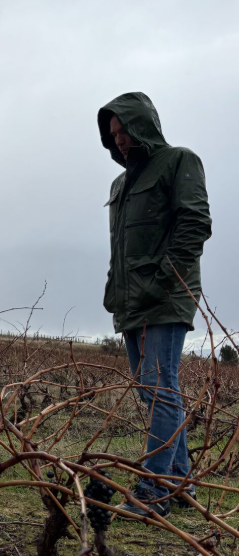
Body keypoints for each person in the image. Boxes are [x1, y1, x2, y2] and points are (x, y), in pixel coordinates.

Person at [97, 92, 212, 517]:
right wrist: (116, 290)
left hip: (166, 298)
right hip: (131, 303)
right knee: (152, 391)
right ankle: (180, 483)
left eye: (125, 130)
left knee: (161, 389)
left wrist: (165, 280)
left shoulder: (180, 160)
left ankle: (153, 490)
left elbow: (195, 223)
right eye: (113, 135)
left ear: (144, 124)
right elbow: (121, 247)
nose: (120, 140)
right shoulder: (120, 184)